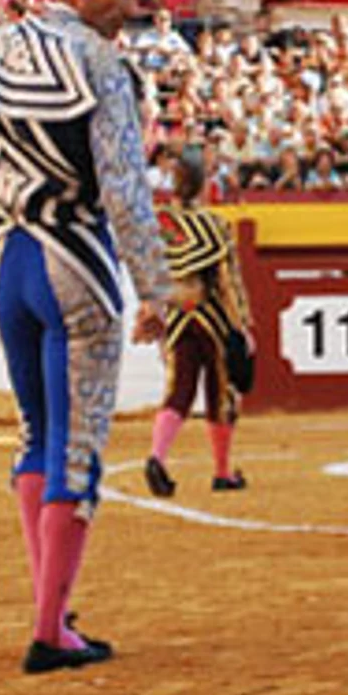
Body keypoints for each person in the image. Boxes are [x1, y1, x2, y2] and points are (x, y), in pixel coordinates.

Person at [0, 0, 171, 675]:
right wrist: (156, 289)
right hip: (76, 261)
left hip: (8, 258)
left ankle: (52, 609)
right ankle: (49, 629)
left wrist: (12, 211)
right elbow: (125, 190)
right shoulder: (101, 64)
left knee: (35, 434)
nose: (129, 9)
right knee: (74, 444)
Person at [144, 152, 255, 497]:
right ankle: (222, 472)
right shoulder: (215, 225)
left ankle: (157, 457)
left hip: (179, 316)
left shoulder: (160, 223)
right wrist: (243, 325)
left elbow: (150, 273)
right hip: (213, 317)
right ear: (202, 184)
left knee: (179, 391)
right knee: (220, 394)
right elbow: (227, 280)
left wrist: (152, 311)